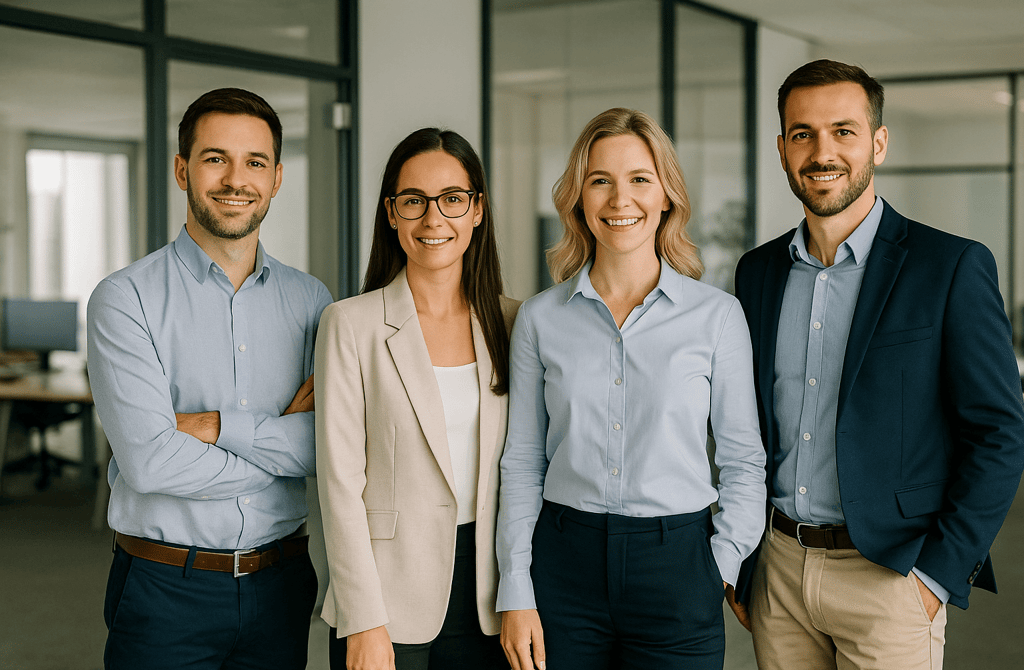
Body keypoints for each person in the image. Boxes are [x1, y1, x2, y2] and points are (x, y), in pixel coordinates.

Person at [730, 59, 1024, 670]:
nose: (822, 151)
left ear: (878, 143)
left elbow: (999, 433)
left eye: (844, 131)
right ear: (782, 149)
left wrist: (934, 577)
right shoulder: (756, 273)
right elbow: (747, 427)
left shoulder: (949, 267)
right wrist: (743, 556)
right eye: (803, 134)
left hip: (890, 575)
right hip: (780, 568)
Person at [496, 107, 767, 670]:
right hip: (563, 566)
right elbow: (522, 462)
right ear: (579, 198)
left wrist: (719, 564)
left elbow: (743, 461)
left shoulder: (716, 317)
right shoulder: (541, 319)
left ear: (667, 195)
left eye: (640, 179)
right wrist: (516, 587)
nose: (621, 201)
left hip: (678, 567)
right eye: (601, 181)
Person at [88, 88, 332, 670]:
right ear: (182, 170)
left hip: (281, 584)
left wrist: (211, 427)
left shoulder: (313, 302)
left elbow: (330, 444)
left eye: (254, 162)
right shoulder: (126, 300)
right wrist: (279, 445)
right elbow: (150, 463)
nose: (235, 179)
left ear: (276, 178)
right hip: (164, 588)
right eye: (215, 158)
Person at [314, 127, 518, 670]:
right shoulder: (350, 325)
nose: (434, 219)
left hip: (490, 593)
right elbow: (340, 485)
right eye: (414, 201)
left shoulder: (514, 322)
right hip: (386, 594)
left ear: (477, 210)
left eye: (453, 199)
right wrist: (363, 619)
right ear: (391, 213)